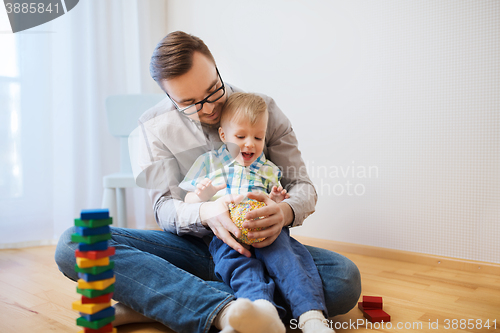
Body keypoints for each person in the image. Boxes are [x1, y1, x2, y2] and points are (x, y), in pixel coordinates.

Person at [54, 31, 361, 333]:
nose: (210, 108)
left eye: (214, 90)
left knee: (343, 280)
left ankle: (164, 301)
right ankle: (227, 311)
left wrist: (284, 212)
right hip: (193, 248)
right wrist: (206, 212)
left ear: (216, 68)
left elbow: (302, 186)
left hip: (261, 246)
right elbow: (164, 208)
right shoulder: (153, 127)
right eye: (190, 103)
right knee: (78, 243)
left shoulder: (262, 110)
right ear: (168, 96)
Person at [180, 91, 335, 333]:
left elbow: (278, 201)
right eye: (240, 136)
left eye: (258, 137)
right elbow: (188, 201)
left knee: (288, 261)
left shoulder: (269, 169)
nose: (250, 143)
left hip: (267, 231)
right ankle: (259, 313)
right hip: (227, 235)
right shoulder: (208, 163)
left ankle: (311, 316)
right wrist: (201, 196)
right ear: (223, 135)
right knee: (239, 267)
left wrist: (276, 200)